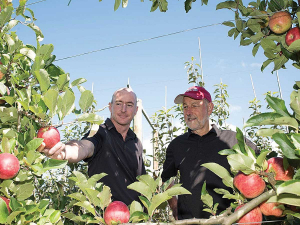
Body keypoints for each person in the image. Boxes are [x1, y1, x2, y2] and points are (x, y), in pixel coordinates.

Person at [161, 86, 258, 220]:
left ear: (210, 108)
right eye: (185, 107)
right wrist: (174, 206)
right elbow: (166, 179)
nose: (188, 111)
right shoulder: (176, 145)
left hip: (228, 220)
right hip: (189, 222)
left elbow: (260, 162)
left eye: (194, 105)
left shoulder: (232, 140)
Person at [38, 87, 146, 206]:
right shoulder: (100, 132)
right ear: (110, 106)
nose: (123, 109)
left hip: (135, 217)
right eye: (119, 103)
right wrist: (65, 151)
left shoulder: (136, 142)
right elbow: (84, 147)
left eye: (129, 105)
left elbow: (141, 180)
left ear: (136, 110)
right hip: (104, 217)